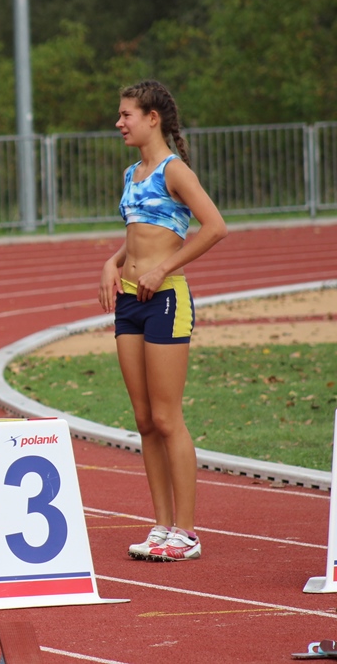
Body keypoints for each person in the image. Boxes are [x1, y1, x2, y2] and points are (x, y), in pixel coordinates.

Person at [98, 80, 227, 562]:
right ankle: (161, 527)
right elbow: (139, 233)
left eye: (126, 114)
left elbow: (215, 227)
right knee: (144, 420)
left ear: (152, 118)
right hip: (128, 302)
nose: (119, 122)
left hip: (166, 300)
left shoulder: (175, 171)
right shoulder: (132, 172)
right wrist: (112, 262)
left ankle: (187, 533)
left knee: (168, 417)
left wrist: (162, 269)